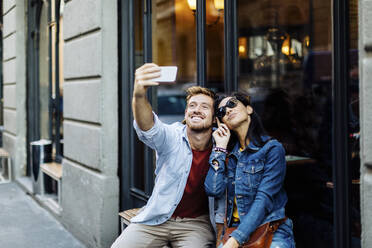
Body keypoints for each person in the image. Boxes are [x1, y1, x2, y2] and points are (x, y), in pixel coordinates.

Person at [111, 63, 224, 248]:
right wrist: (139, 93)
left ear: (214, 118)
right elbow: (148, 127)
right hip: (157, 218)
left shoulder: (221, 145)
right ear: (186, 113)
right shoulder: (172, 136)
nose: (196, 109)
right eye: (192, 105)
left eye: (205, 107)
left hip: (195, 224)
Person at [204, 92, 296, 248]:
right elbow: (213, 189)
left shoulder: (272, 149)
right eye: (221, 112)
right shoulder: (228, 155)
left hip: (270, 229)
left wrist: (236, 240)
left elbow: (264, 199)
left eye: (232, 104)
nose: (227, 110)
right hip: (234, 229)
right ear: (222, 122)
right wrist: (219, 148)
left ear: (249, 109)